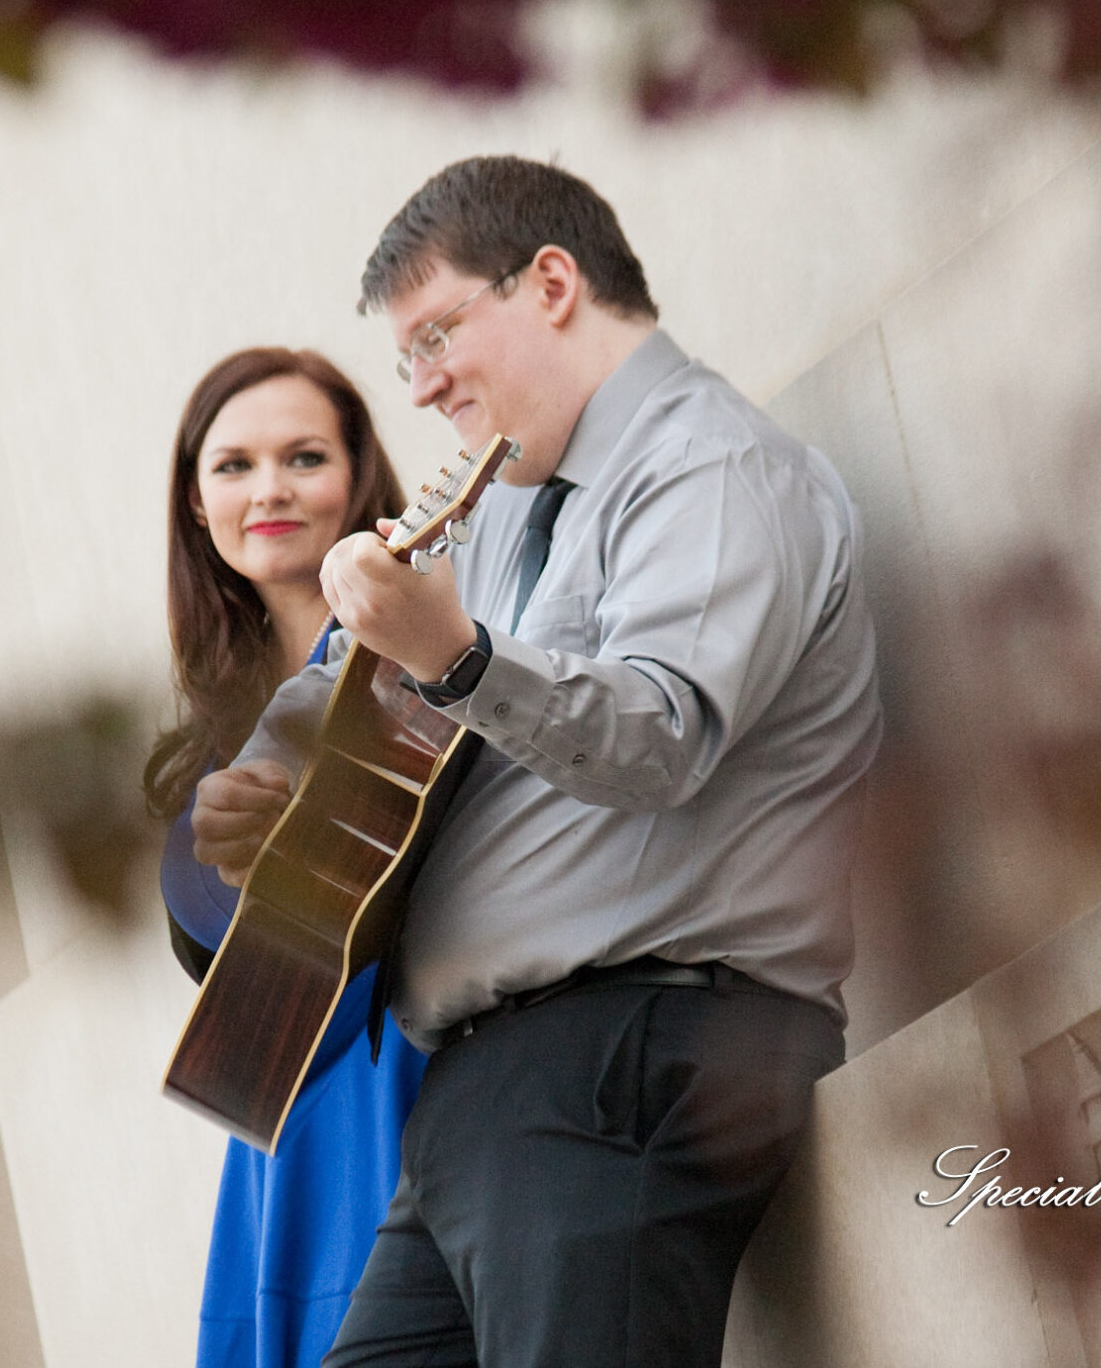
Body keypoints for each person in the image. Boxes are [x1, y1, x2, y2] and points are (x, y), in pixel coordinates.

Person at [193, 156, 882, 1368]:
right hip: (489, 1092)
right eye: (405, 357)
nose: (420, 387)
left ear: (552, 283)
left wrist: (452, 655)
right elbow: (442, 750)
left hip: (630, 1055)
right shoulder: (508, 504)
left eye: (437, 336)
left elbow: (661, 734)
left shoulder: (713, 466)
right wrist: (295, 772)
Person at [146, 347, 432, 1368]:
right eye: (233, 465)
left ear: (359, 476)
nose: (268, 488)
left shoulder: (425, 647)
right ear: (193, 500)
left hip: (416, 1084)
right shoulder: (205, 745)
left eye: (303, 457)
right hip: (284, 1132)